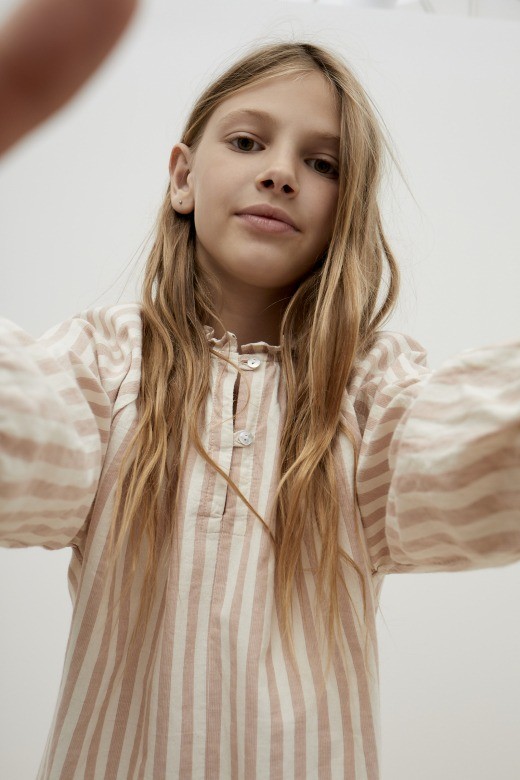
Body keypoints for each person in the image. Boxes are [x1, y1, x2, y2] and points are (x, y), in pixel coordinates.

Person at [1, 24, 519, 780]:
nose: (280, 174)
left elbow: (489, 453)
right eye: (247, 143)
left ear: (346, 210)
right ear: (182, 177)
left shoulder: (369, 399)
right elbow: (21, 438)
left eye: (321, 163)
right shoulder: (105, 368)